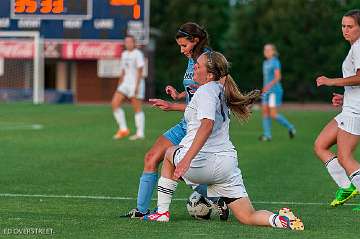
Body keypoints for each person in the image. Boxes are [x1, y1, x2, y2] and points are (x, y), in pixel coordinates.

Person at [143, 51, 304, 231]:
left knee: (169, 153)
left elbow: (207, 125)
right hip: (226, 167)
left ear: (210, 74)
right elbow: (199, 109)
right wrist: (173, 106)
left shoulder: (205, 90)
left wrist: (187, 159)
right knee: (247, 216)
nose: (194, 67)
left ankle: (162, 213)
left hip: (199, 163)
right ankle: (280, 220)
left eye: (199, 65)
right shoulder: (220, 90)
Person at [121, 23, 228, 219]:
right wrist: (178, 96)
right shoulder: (191, 60)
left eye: (184, 45)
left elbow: (214, 98)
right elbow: (195, 93)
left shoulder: (209, 61)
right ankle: (141, 210)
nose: (181, 50)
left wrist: (172, 105)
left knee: (185, 172)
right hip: (185, 122)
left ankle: (217, 198)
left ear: (195, 41)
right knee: (151, 157)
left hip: (198, 127)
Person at [314, 9, 360, 211]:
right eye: (343, 26)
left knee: (345, 157)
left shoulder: (359, 47)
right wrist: (344, 97)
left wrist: (331, 81)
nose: (346, 30)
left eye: (350, 26)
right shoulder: (354, 48)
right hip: (350, 108)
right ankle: (346, 186)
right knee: (320, 145)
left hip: (355, 112)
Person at [112, 35, 146, 140]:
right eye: (126, 42)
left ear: (134, 43)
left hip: (136, 83)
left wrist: (136, 86)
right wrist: (119, 84)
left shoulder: (138, 54)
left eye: (130, 42)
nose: (128, 44)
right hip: (125, 83)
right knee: (114, 104)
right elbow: (123, 71)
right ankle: (123, 129)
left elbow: (140, 71)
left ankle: (140, 133)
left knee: (137, 108)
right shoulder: (124, 54)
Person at [259, 44, 296, 141]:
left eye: (268, 50)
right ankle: (267, 135)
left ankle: (291, 127)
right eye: (265, 50)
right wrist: (264, 88)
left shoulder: (275, 62)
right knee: (265, 113)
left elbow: (278, 77)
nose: (266, 52)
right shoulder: (265, 63)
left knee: (273, 114)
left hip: (274, 92)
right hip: (266, 91)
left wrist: (268, 86)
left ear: (273, 51)